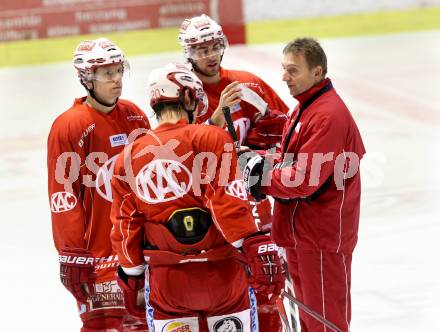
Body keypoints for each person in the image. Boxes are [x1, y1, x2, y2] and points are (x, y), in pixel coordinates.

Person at [110, 63, 284, 332]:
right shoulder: (212, 137)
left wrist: (131, 277)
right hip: (223, 277)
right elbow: (228, 202)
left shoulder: (127, 157)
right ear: (188, 96)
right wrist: (253, 245)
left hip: (168, 286)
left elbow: (125, 225)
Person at [243, 38, 366, 332]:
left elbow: (304, 179)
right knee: (310, 321)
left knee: (325, 322)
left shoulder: (327, 115)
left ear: (317, 72)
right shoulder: (304, 108)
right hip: (301, 234)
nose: (284, 77)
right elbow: (291, 162)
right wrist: (258, 158)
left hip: (320, 239)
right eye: (284, 69)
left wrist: (261, 179)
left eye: (293, 70)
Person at [178, 15, 289, 331]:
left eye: (214, 47)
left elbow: (289, 131)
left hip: (255, 203)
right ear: (189, 52)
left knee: (268, 287)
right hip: (210, 210)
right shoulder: (180, 93)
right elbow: (172, 152)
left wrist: (264, 149)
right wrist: (212, 122)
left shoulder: (248, 84)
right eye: (201, 50)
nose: (210, 55)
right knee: (225, 294)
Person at [47, 37, 150, 332]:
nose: (117, 79)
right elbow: (63, 194)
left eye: (119, 70)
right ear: (86, 78)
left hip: (138, 250)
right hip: (98, 256)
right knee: (103, 326)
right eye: (108, 73)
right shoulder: (69, 125)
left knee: (143, 325)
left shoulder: (134, 114)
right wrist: (72, 252)